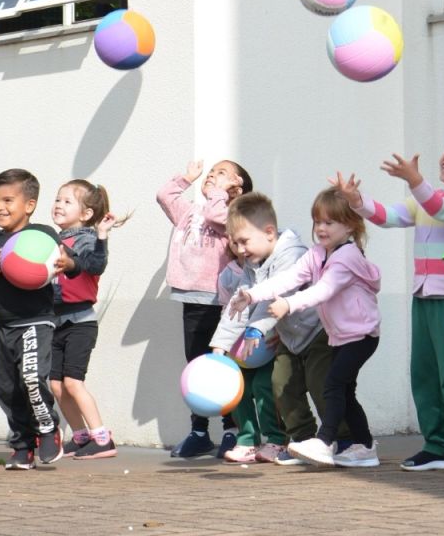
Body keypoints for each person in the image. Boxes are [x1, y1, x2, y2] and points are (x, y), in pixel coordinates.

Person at [341, 131, 444, 474]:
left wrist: (415, 180)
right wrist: (356, 199)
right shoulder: (428, 198)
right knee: (424, 374)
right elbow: (385, 216)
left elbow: (441, 209)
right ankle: (436, 445)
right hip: (423, 297)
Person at [232, 184, 382, 469]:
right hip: (342, 336)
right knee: (344, 390)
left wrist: (289, 305)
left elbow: (324, 290)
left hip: (361, 335)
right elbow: (288, 279)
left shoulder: (347, 256)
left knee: (333, 385)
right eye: (317, 221)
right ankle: (364, 446)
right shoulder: (318, 253)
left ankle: (325, 442)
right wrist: (253, 294)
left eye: (330, 222)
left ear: (349, 226)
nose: (321, 228)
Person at [0, 169, 63, 470]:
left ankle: (48, 430)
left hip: (36, 320)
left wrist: (67, 263)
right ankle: (22, 445)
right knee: (7, 389)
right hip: (4, 325)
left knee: (31, 378)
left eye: (8, 200)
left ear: (29, 205)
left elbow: (63, 263)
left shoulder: (42, 236)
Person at [157, 159, 252, 458]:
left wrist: (222, 192)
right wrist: (186, 178)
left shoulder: (234, 213)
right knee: (196, 364)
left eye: (221, 173)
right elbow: (165, 196)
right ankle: (198, 430)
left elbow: (216, 214)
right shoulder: (190, 212)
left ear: (238, 185)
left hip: (221, 301)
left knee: (221, 366)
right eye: (212, 172)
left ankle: (231, 430)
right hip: (192, 299)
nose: (212, 175)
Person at [210, 192, 308, 464]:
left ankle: (307, 440)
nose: (240, 249)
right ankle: (259, 441)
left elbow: (275, 295)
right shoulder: (253, 264)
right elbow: (240, 302)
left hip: (313, 334)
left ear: (268, 232)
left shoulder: (292, 255)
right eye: (235, 243)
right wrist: (220, 345)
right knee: (267, 387)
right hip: (287, 337)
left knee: (310, 387)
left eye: (244, 241)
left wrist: (257, 329)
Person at [49, 180, 129, 460]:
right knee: (56, 385)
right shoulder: (51, 240)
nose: (59, 204)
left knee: (73, 383)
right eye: (57, 199)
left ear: (85, 213)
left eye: (67, 201)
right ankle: (81, 437)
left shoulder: (84, 238)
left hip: (80, 323)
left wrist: (102, 235)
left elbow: (96, 265)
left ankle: (102, 439)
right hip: (56, 323)